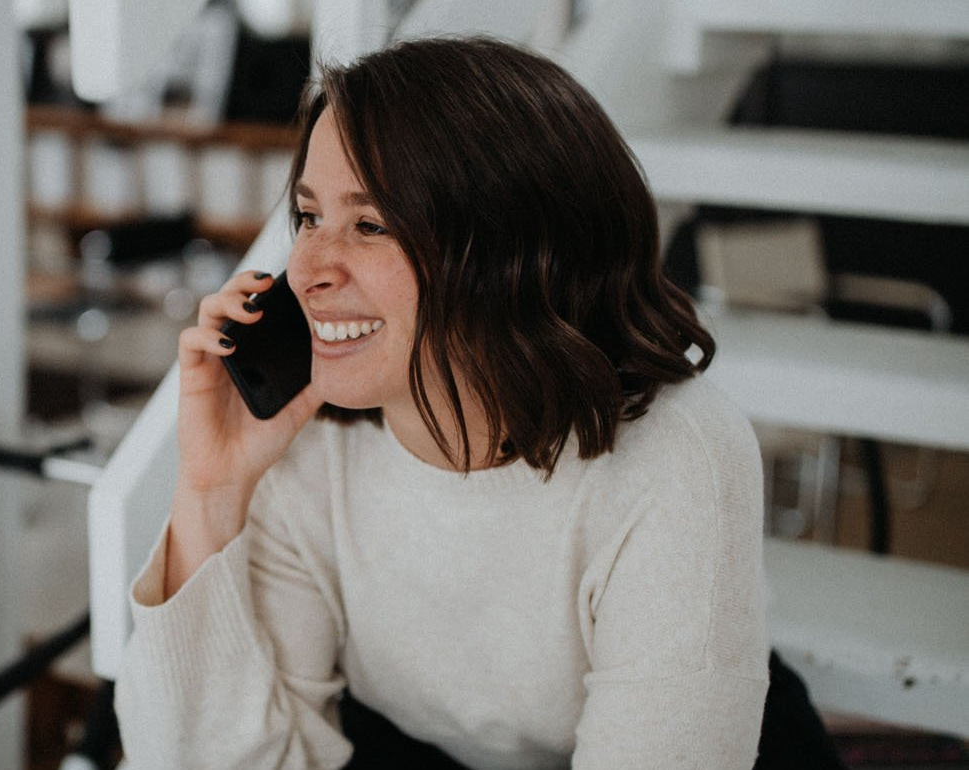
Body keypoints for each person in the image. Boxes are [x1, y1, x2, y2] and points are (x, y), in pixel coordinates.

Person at [114, 36, 773, 769]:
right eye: (306, 218)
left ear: (513, 251)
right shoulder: (309, 445)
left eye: (369, 225)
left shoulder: (676, 457)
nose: (306, 269)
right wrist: (211, 491)